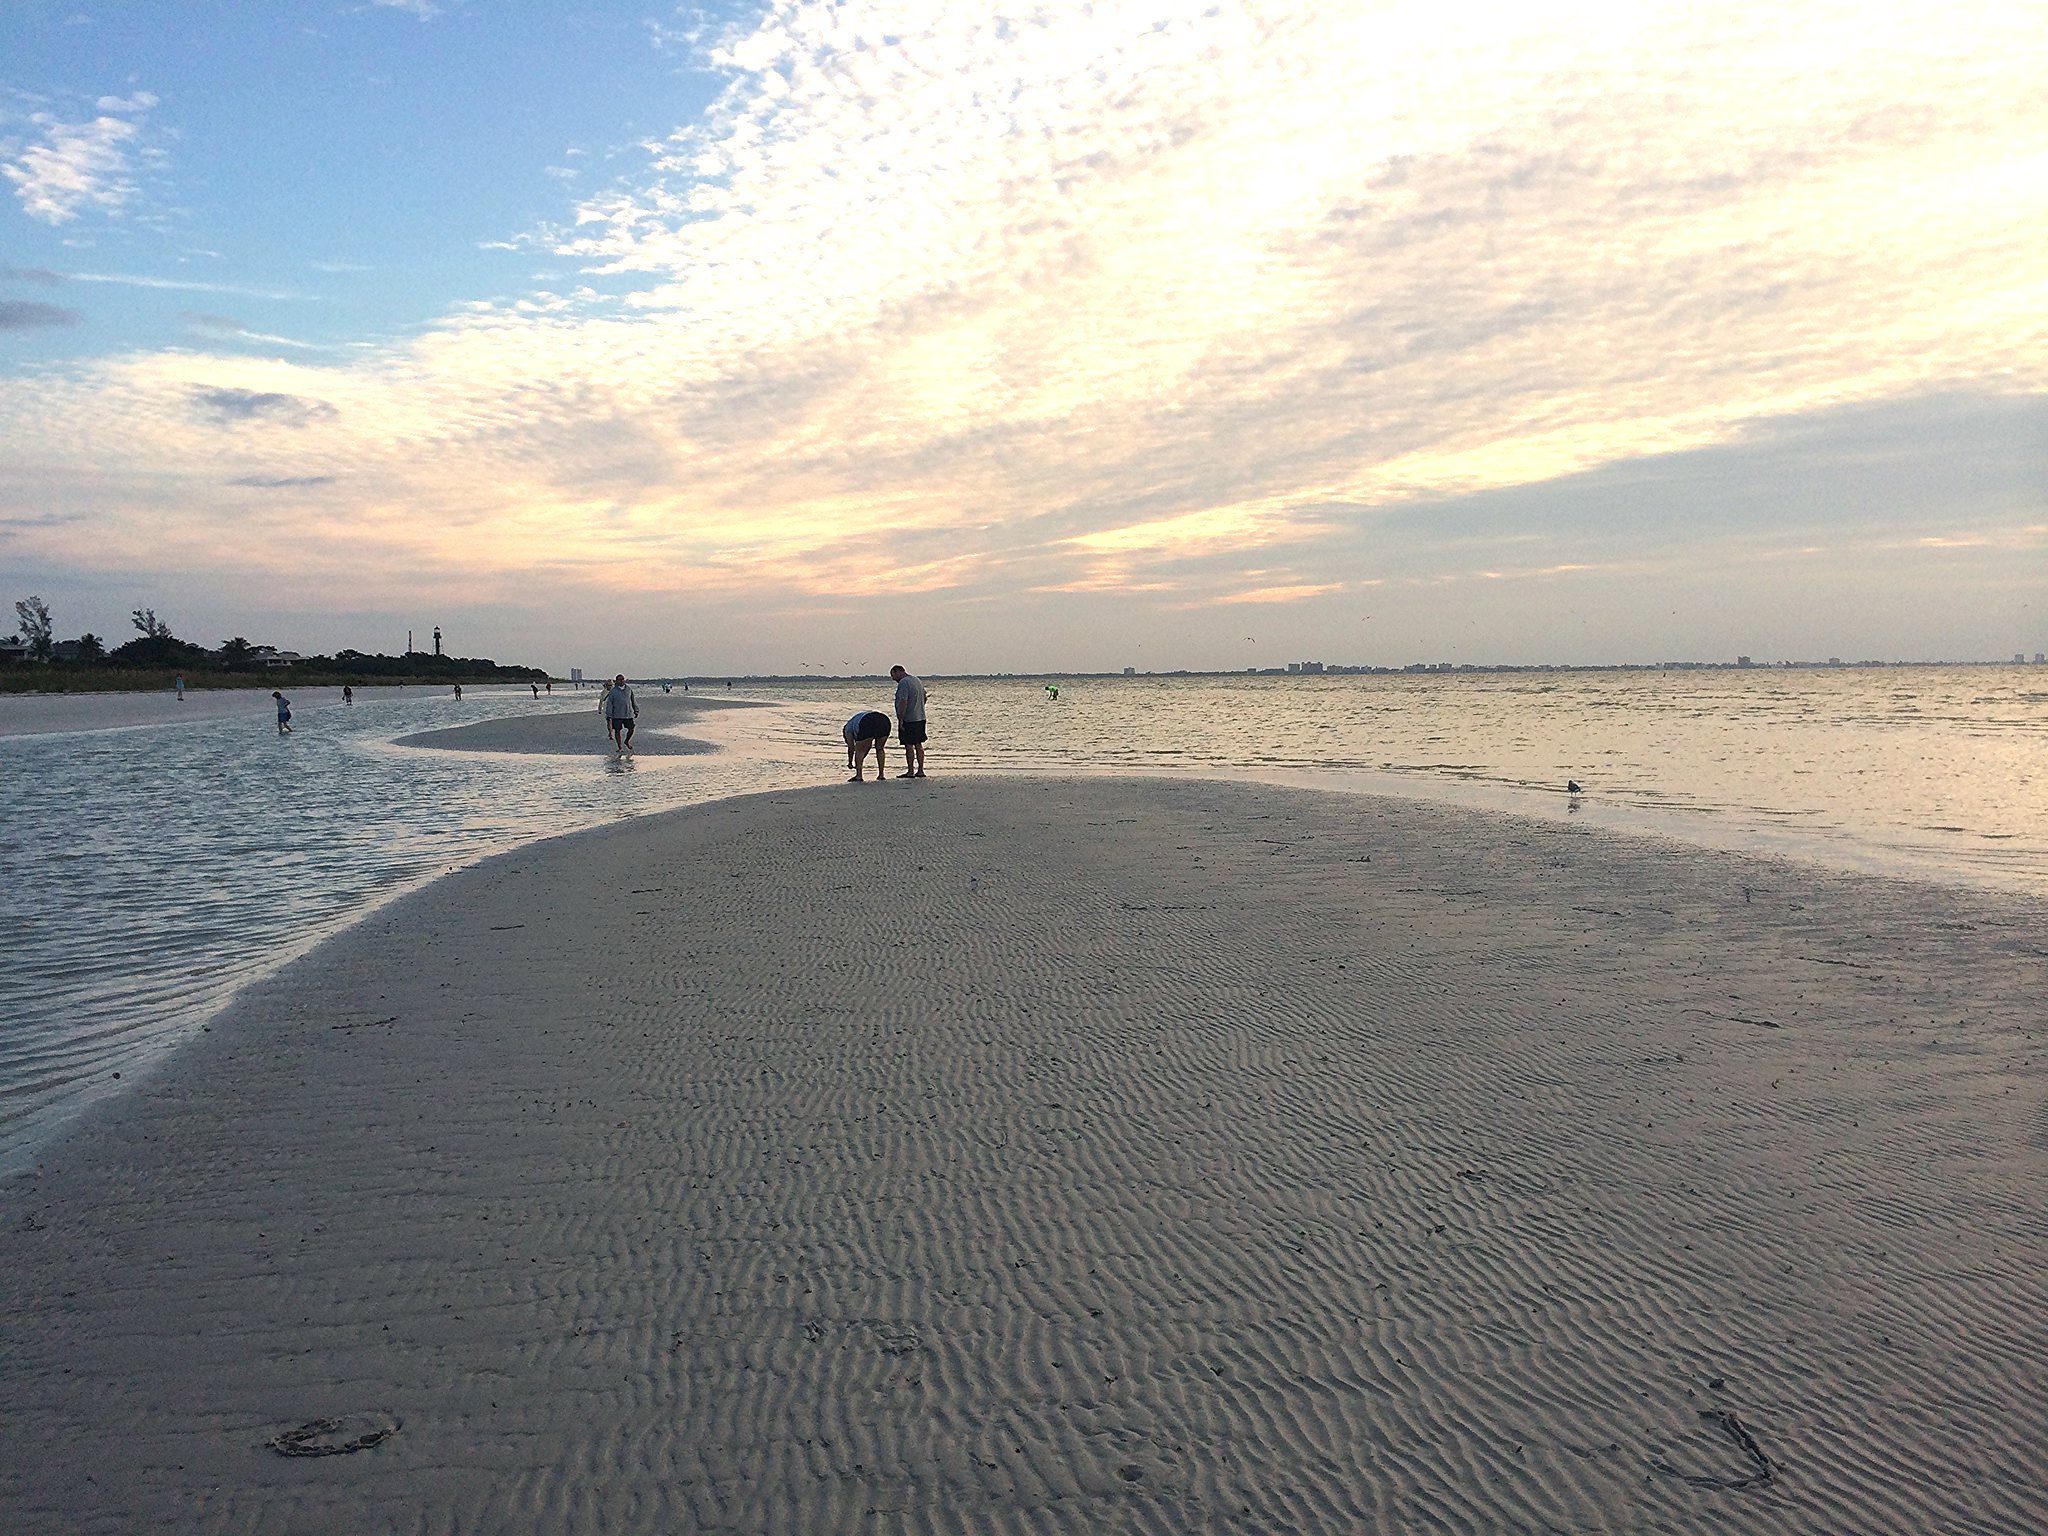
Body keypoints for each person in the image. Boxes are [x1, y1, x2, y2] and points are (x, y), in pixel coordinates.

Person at [890, 664, 928, 778]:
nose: (893, 678)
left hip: (909, 719)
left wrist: (901, 718)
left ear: (897, 672)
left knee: (909, 745)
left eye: (893, 675)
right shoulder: (916, 680)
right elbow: (925, 696)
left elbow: (903, 701)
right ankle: (920, 770)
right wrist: (920, 706)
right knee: (918, 744)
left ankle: (910, 771)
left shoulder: (903, 683)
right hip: (920, 717)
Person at [842, 710, 891, 782]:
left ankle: (859, 776)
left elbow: (851, 748)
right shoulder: (854, 721)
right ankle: (881, 775)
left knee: (859, 751)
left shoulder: (847, 729)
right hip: (884, 720)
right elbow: (868, 746)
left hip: (867, 721)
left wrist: (850, 762)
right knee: (880, 748)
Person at [600, 673, 639, 753]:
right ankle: (620, 747)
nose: (621, 681)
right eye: (620, 679)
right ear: (616, 681)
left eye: (623, 679)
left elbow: (633, 700)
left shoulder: (628, 689)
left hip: (628, 714)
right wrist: (609, 714)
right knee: (617, 730)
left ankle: (627, 741)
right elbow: (609, 704)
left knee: (631, 729)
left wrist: (636, 710)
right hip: (616, 715)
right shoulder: (613, 691)